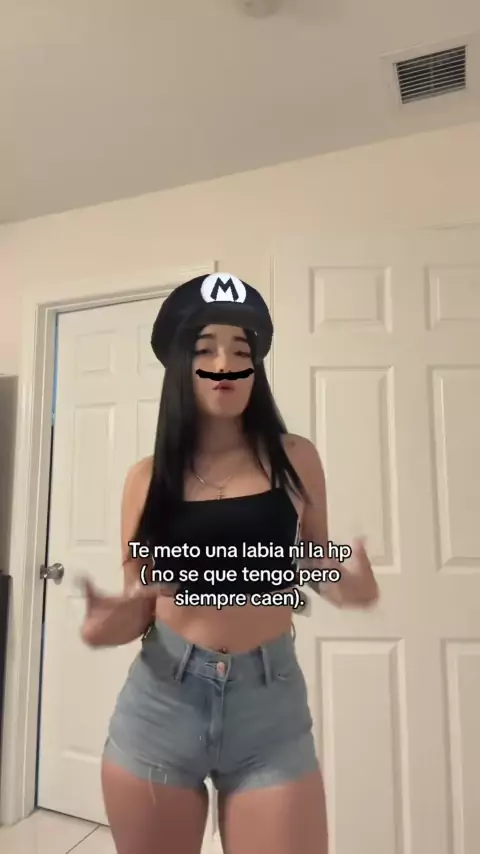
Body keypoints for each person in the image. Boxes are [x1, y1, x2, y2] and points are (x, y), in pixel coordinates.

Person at [80, 272, 379, 854]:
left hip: (269, 707)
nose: (226, 365)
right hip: (161, 703)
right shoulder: (146, 479)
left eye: (242, 352)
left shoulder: (295, 457)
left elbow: (314, 557)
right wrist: (107, 623)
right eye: (206, 349)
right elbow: (140, 604)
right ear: (179, 366)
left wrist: (350, 584)